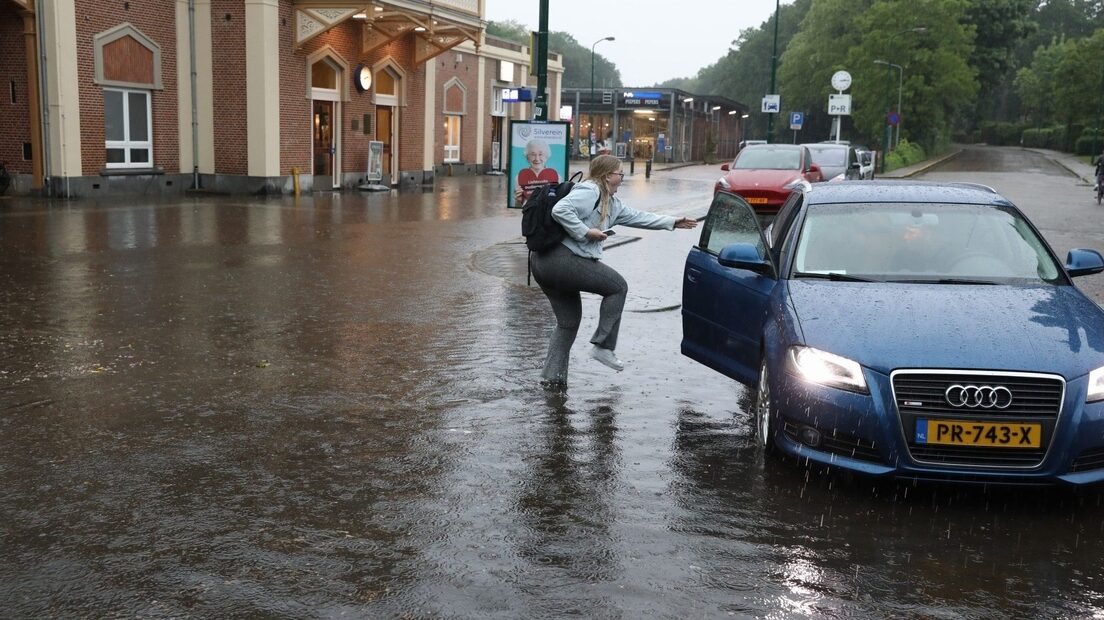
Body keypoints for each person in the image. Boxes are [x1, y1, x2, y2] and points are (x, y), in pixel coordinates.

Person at [529, 154, 698, 387]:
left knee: (567, 322)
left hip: (543, 263)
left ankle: (552, 380)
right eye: (620, 173)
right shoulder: (591, 190)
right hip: (559, 260)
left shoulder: (612, 203)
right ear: (607, 176)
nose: (622, 178)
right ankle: (603, 346)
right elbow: (561, 209)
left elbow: (640, 217)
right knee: (617, 287)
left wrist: (672, 222)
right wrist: (586, 232)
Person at [515, 139, 559, 204]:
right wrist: (519, 201)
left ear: (546, 156)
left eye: (540, 154)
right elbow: (519, 205)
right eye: (533, 154)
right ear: (527, 157)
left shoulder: (556, 176)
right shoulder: (519, 177)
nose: (537, 159)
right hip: (529, 212)